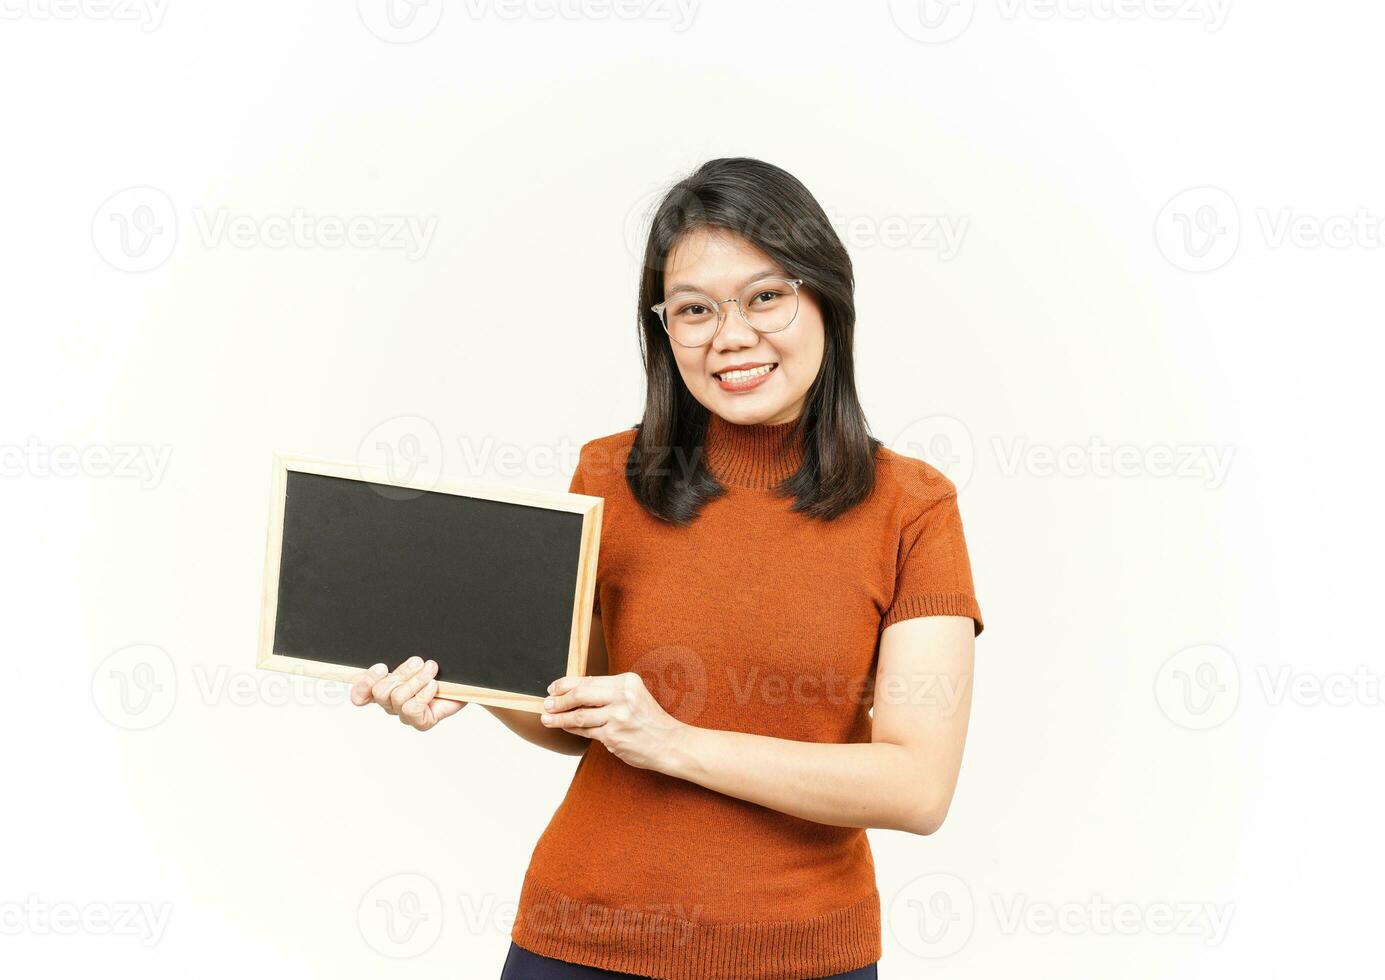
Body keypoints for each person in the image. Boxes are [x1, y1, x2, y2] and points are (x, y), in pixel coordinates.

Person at [348, 157, 984, 979]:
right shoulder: (608, 476)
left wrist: (677, 744)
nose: (732, 336)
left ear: (827, 295)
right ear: (664, 330)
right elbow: (573, 715)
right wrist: (468, 674)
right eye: (694, 309)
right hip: (577, 945)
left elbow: (916, 785)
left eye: (766, 296)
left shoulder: (913, 506)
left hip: (800, 956)